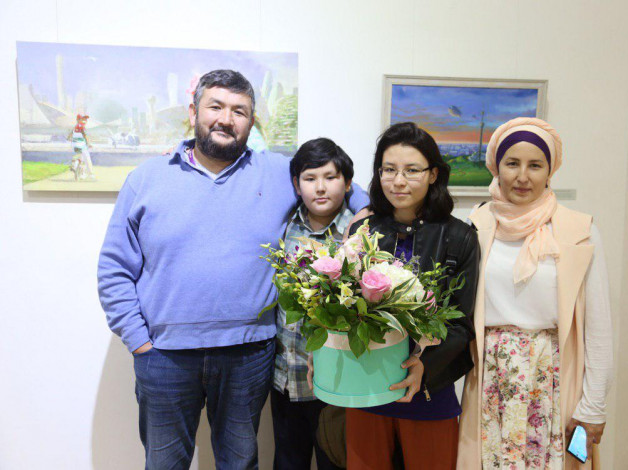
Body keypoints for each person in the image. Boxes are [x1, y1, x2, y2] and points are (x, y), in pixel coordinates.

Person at [97, 69, 368, 470]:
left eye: (239, 111)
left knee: (239, 463)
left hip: (249, 354)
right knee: (165, 464)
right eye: (216, 107)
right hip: (166, 355)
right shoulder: (146, 179)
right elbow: (114, 267)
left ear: (251, 122)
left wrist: (364, 212)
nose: (226, 119)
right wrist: (138, 340)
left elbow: (336, 179)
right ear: (194, 112)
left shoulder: (277, 172)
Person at [456, 117, 613, 469]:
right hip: (491, 378)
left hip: (555, 375)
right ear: (496, 167)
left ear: (550, 170)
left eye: (535, 165)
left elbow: (599, 327)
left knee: (562, 462)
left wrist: (593, 406)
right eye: (512, 163)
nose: (522, 176)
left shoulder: (580, 230)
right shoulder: (477, 225)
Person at [344, 122, 479, 470]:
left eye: (412, 170)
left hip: (429, 388)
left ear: (433, 174)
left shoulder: (460, 237)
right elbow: (344, 305)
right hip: (366, 384)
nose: (398, 181)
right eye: (388, 170)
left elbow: (462, 323)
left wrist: (425, 367)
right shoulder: (363, 230)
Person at [271, 138, 353, 470]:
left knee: (336, 461)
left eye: (330, 177)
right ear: (296, 184)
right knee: (288, 461)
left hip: (336, 380)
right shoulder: (284, 225)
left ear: (348, 183)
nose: (320, 187)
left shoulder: (358, 231)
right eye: (310, 178)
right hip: (285, 377)